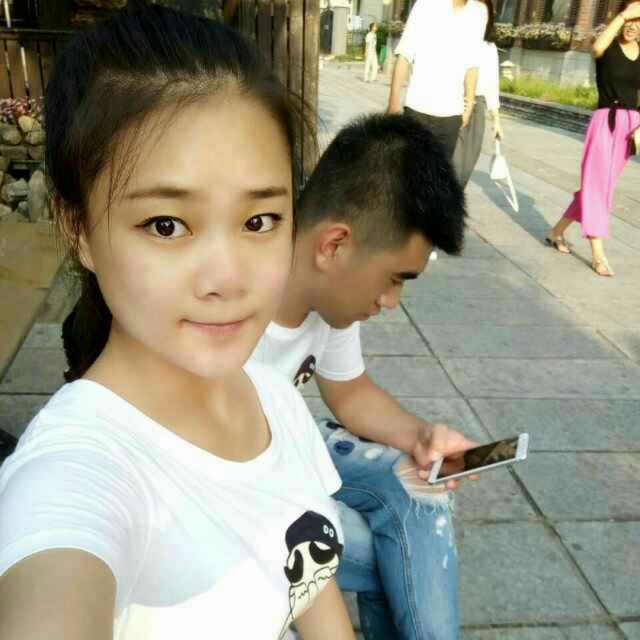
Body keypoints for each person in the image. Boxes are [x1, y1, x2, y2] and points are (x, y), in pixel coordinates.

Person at [0, 6, 357, 640]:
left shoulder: (272, 397)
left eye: (259, 221)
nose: (227, 279)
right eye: (166, 225)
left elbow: (307, 580)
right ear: (77, 228)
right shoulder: (75, 472)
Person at [251, 113, 479, 640]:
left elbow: (349, 391)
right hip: (237, 484)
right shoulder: (232, 312)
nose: (392, 301)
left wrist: (420, 437)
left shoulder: (328, 299)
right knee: (388, 552)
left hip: (287, 446)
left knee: (420, 486)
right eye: (395, 278)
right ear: (334, 245)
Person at [545, 0, 640, 277]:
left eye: (639, 20)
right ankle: (598, 254)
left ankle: (555, 232)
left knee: (598, 186)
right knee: (598, 188)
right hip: (605, 122)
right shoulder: (607, 46)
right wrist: (624, 15)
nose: (633, 25)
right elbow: (597, 48)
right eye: (630, 18)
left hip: (631, 127)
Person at [387, 0, 488, 160]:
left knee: (439, 172)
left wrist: (469, 105)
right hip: (417, 109)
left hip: (452, 114)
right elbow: (405, 55)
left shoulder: (479, 12)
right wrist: (393, 102)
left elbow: (473, 64)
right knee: (410, 169)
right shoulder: (426, 4)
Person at [452, 0, 504, 188]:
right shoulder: (455, 37)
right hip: (455, 102)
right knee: (453, 160)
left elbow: (492, 83)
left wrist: (496, 120)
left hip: (478, 106)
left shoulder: (488, 46)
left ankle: (454, 198)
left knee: (468, 161)